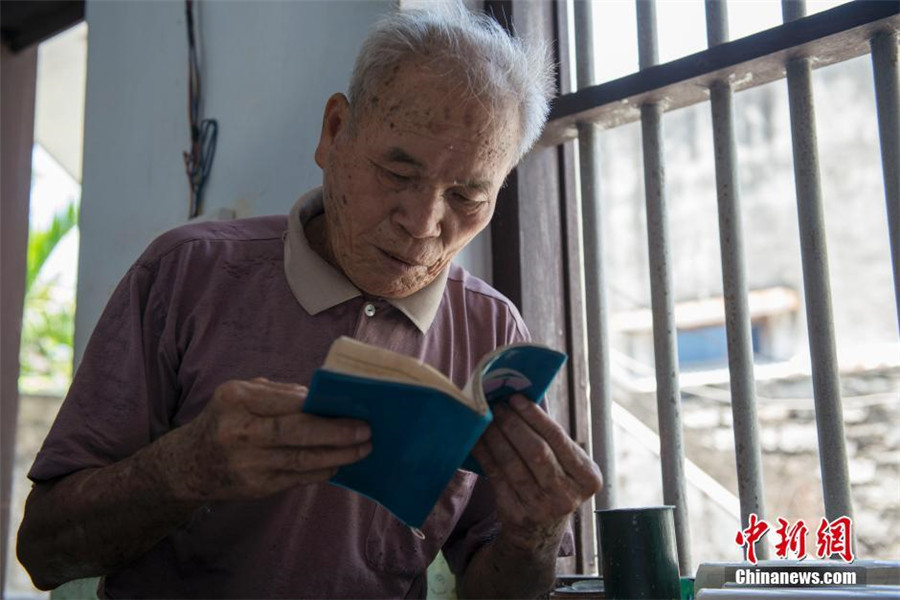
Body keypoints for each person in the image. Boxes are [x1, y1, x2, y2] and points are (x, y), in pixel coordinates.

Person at [17, 4, 603, 598]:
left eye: (466, 195)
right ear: (334, 132)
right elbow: (43, 551)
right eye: (397, 173)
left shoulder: (490, 328)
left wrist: (534, 538)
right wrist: (183, 470)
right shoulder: (185, 274)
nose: (423, 222)